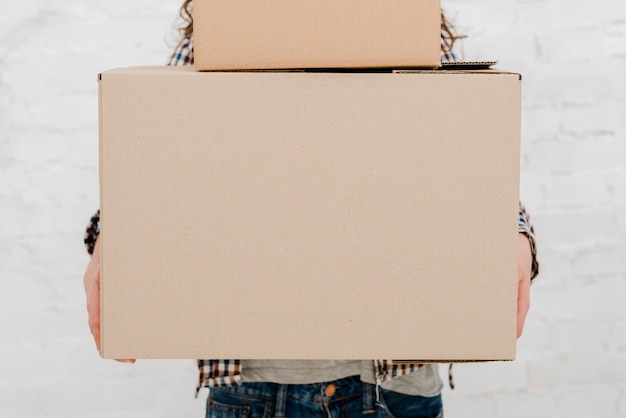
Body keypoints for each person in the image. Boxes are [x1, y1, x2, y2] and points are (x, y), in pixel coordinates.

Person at [83, 3, 539, 417]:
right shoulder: (228, 29)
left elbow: (464, 151)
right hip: (259, 387)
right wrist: (113, 238)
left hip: (395, 381)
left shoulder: (399, 23)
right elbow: (161, 156)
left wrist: (514, 231)